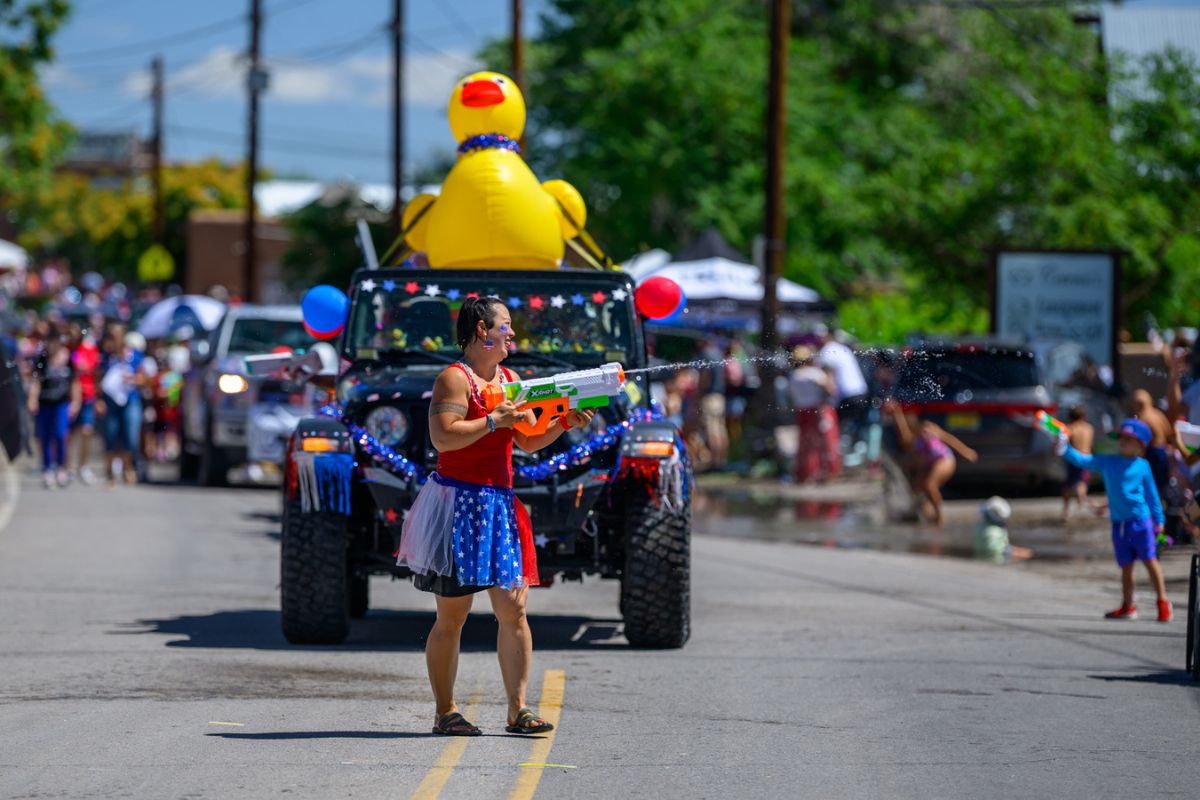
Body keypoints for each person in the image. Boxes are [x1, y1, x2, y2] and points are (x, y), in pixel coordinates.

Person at [396, 297, 596, 737]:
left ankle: (518, 709)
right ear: (483, 331)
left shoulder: (511, 379)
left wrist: (564, 423)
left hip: (498, 505)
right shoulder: (454, 379)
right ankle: (445, 711)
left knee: (515, 610)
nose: (513, 335)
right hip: (457, 504)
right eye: (506, 326)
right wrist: (491, 422)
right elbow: (442, 439)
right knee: (452, 617)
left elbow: (526, 442)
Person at [1057, 419, 1171, 622]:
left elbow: (1152, 496)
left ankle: (1162, 602)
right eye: (1122, 438)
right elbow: (1083, 460)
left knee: (1150, 561)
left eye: (1129, 438)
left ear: (1141, 445)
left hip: (1140, 522)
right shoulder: (1108, 461)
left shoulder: (1143, 466)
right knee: (1126, 567)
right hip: (1119, 525)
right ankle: (1128, 606)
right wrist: (1063, 447)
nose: (1123, 441)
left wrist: (1159, 520)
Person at [889, 404, 978, 527]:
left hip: (944, 459)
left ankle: (939, 517)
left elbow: (949, 438)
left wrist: (965, 451)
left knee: (930, 485)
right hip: (930, 464)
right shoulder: (912, 440)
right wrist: (897, 413)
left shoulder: (928, 429)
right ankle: (921, 514)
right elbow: (902, 430)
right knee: (916, 491)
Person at [27, 331, 80, 488]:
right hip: (45, 403)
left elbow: (74, 382)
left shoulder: (68, 358)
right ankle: (47, 468)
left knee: (60, 434)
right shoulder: (42, 359)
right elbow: (36, 381)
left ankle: (61, 468)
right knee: (45, 437)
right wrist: (32, 399)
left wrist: (76, 401)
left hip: (61, 403)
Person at [789, 346, 839, 483]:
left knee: (806, 442)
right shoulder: (815, 374)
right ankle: (826, 472)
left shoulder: (794, 376)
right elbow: (831, 389)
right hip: (817, 411)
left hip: (802, 411)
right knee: (824, 442)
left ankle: (806, 472)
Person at [68, 322, 101, 484]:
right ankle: (68, 466)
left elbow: (95, 370)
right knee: (69, 434)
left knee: (86, 431)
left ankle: (83, 466)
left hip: (87, 396)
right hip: (70, 397)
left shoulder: (90, 349)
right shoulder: (67, 351)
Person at [1061, 406, 1098, 522]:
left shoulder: (1070, 428)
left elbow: (1062, 445)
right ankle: (1082, 500)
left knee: (1069, 485)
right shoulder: (1089, 428)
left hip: (1074, 460)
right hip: (1087, 459)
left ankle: (1067, 509)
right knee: (1082, 482)